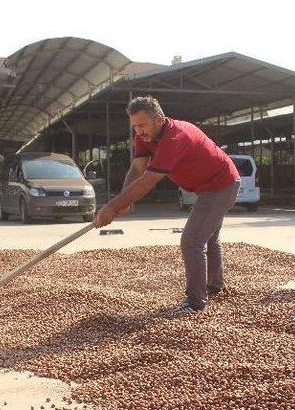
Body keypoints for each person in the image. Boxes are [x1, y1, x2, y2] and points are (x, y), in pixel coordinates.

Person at [94, 96, 240, 315]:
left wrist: (113, 206)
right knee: (208, 237)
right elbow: (136, 169)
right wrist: (125, 199)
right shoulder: (144, 135)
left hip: (221, 184)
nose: (139, 131)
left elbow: (148, 180)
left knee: (192, 241)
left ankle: (195, 303)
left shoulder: (175, 137)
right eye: (135, 126)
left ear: (159, 119)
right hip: (206, 187)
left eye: (142, 125)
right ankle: (214, 286)